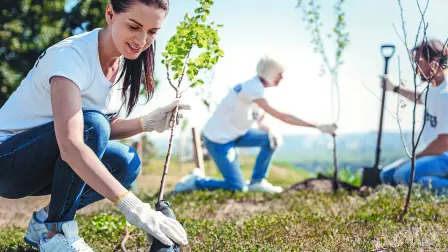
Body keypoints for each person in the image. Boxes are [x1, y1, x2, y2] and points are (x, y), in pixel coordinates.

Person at [0, 0, 190, 251]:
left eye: (152, 32)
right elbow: (72, 143)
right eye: (134, 26)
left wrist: (147, 123)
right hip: (8, 163)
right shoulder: (71, 56)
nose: (142, 40)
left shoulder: (121, 64)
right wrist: (135, 208)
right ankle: (57, 231)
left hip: (46, 160)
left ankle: (44, 222)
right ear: (110, 14)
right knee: (93, 126)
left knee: (125, 161)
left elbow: (101, 129)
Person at [174, 55, 337, 194]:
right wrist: (318, 126)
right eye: (280, 74)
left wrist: (269, 130)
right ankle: (197, 181)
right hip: (218, 140)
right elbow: (282, 116)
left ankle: (257, 182)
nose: (282, 78)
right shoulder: (253, 88)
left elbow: (259, 119)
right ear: (270, 73)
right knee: (236, 187)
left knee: (270, 139)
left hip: (237, 134)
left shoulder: (258, 89)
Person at [380, 39, 448, 193]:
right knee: (387, 175)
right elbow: (420, 98)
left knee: (402, 175)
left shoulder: (446, 95)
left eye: (420, 62)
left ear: (434, 62)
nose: (417, 68)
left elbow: (444, 142)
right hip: (434, 155)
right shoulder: (434, 89)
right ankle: (425, 185)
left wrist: (415, 158)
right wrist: (395, 88)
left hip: (444, 156)